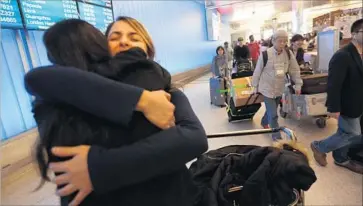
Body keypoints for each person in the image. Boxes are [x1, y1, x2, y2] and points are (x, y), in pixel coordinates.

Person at [25, 18, 208, 206]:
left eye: (134, 38)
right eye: (114, 37)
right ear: (101, 47)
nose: (124, 42)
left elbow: (194, 138)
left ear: (148, 50)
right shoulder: (71, 92)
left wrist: (99, 168)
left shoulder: (166, 92)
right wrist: (140, 99)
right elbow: (37, 78)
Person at [311, 19, 363, 174]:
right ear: (354, 34)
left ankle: (341, 157)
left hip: (359, 101)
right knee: (352, 133)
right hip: (348, 103)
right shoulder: (343, 55)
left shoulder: (360, 53)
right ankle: (319, 146)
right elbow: (334, 84)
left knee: (348, 132)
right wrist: (333, 107)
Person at [252, 30, 303, 140]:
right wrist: (254, 86)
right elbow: (257, 70)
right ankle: (277, 138)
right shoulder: (265, 54)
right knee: (274, 115)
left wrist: (298, 84)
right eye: (280, 41)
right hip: (267, 88)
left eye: (285, 41)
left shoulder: (288, 54)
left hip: (280, 88)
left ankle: (264, 121)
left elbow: (294, 70)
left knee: (272, 109)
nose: (283, 44)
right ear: (273, 41)